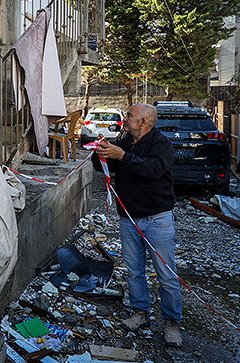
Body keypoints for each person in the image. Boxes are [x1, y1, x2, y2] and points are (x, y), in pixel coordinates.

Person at [92, 103, 182, 347]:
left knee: (166, 275)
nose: (125, 119)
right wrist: (99, 150)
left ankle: (171, 322)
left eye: (129, 115)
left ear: (144, 121)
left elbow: (153, 170)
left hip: (157, 219)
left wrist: (123, 156)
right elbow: (99, 166)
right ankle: (140, 313)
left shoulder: (160, 144)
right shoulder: (124, 142)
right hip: (129, 219)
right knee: (134, 271)